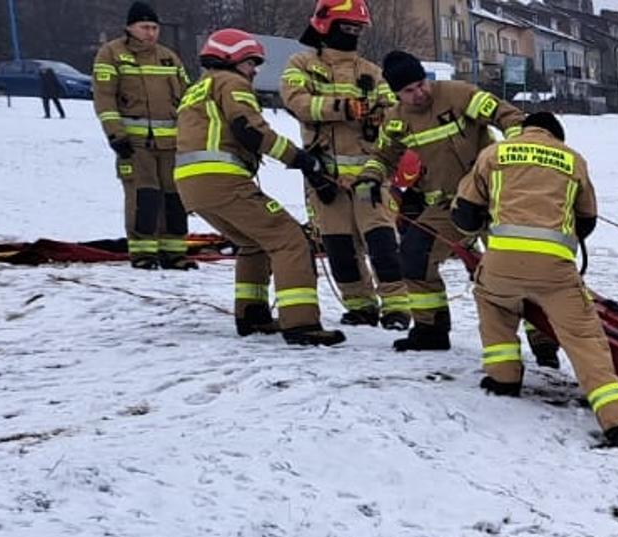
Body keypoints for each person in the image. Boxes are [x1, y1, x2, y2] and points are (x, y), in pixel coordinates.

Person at [449, 112, 618, 449]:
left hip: (501, 263)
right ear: (555, 137)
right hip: (555, 271)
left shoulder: (494, 154)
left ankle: (503, 378)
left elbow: (464, 214)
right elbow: (587, 219)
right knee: (585, 340)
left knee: (492, 303)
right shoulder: (572, 159)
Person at [173, 28, 343, 347]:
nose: (254, 71)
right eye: (251, 63)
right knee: (289, 239)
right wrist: (301, 159)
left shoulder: (197, 88)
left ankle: (252, 315)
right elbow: (250, 129)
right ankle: (302, 323)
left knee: (253, 242)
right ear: (232, 57)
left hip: (192, 183)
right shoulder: (231, 83)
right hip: (222, 178)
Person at [359, 51, 525, 352]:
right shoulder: (396, 120)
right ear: (396, 94)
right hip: (451, 206)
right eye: (409, 91)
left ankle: (544, 343)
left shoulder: (460, 94)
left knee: (517, 269)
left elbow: (509, 117)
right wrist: (370, 177)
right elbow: (383, 156)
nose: (419, 93)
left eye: (421, 84)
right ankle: (430, 330)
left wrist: (514, 154)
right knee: (414, 255)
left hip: (496, 197)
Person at [280, 0, 407, 328]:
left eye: (356, 29)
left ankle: (396, 306)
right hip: (327, 177)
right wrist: (344, 108)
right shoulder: (301, 64)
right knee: (339, 246)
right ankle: (360, 305)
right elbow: (297, 102)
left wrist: (381, 114)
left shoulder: (370, 71)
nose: (352, 34)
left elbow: (394, 110)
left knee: (382, 242)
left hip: (369, 175)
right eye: (346, 28)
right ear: (325, 26)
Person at [92, 2, 193, 270]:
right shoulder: (112, 54)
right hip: (135, 144)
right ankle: (143, 253)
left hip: (171, 144)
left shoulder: (169, 57)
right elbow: (104, 98)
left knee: (175, 198)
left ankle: (174, 252)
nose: (150, 33)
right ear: (129, 27)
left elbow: (188, 97)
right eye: (144, 27)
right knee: (144, 197)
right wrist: (116, 135)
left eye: (154, 27)